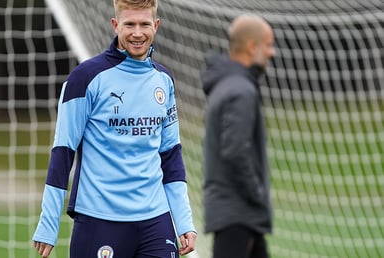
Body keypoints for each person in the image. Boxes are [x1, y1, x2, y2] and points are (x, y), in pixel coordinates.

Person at [32, 0, 197, 257]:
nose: (137, 33)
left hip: (156, 221)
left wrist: (184, 221)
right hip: (100, 220)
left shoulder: (164, 81)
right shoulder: (85, 79)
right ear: (115, 25)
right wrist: (49, 222)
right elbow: (63, 152)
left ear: (156, 25)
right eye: (129, 24)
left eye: (144, 24)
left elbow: (171, 155)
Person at [201, 14, 276, 258]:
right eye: (268, 44)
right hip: (237, 215)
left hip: (238, 215)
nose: (271, 52)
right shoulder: (241, 90)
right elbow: (234, 150)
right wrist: (258, 194)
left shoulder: (228, 85)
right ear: (252, 46)